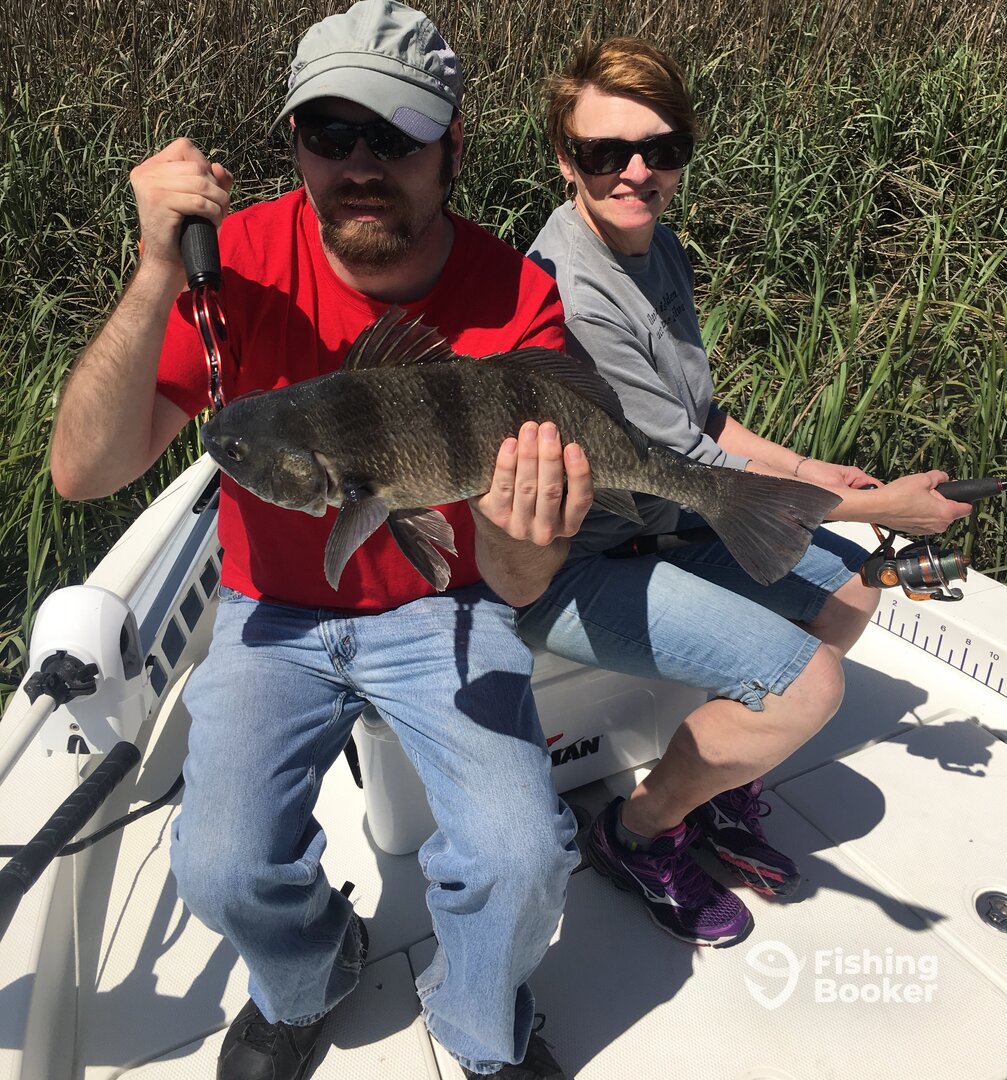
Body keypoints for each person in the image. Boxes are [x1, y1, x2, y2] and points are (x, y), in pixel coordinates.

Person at [49, 3, 593, 1077]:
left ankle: (482, 1025)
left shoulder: (517, 298)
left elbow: (517, 578)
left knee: (522, 856)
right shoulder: (235, 263)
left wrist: (530, 529)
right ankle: (310, 975)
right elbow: (83, 472)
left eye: (395, 135)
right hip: (272, 609)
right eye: (329, 133)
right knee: (217, 867)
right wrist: (155, 268)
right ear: (295, 140)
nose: (359, 164)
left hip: (444, 604)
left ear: (452, 146)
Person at [517, 34, 972, 948]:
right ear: (566, 159)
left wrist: (809, 471)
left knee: (856, 581)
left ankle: (720, 780)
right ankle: (636, 833)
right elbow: (691, 467)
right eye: (605, 152)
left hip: (669, 520)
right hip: (575, 562)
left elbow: (705, 421)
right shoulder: (571, 291)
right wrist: (886, 508)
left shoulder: (657, 246)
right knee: (811, 687)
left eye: (660, 148)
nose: (635, 172)